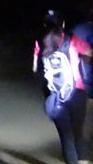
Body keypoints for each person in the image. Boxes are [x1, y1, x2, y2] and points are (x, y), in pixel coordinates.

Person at [34, 26, 92, 164]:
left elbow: (35, 68)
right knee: (77, 131)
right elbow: (89, 52)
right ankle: (82, 160)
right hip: (76, 92)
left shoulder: (40, 43)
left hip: (55, 97)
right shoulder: (71, 40)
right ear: (62, 26)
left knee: (66, 137)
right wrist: (82, 62)